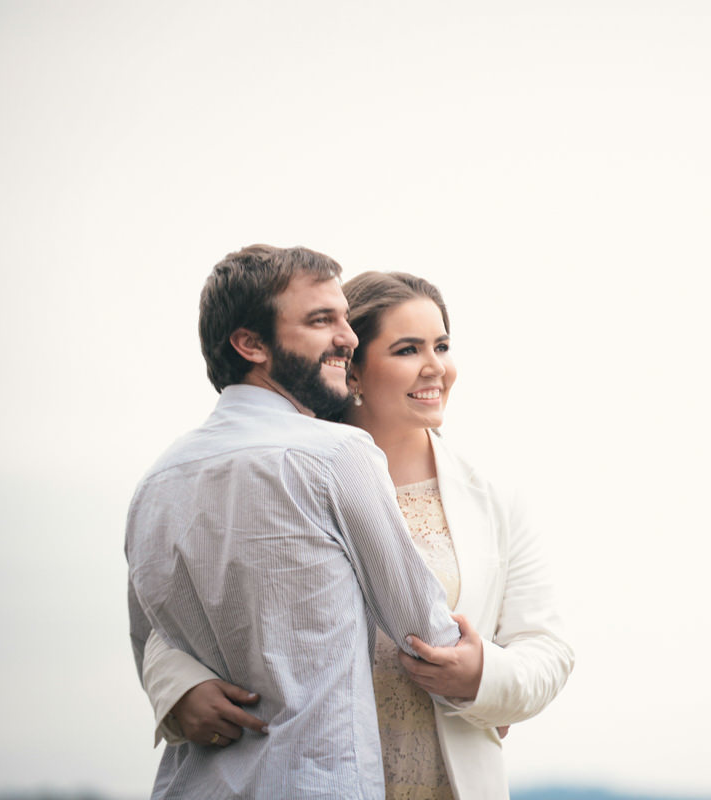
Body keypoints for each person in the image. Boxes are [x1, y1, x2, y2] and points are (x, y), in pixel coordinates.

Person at [143, 270, 575, 799]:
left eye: (441, 345)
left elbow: (547, 649)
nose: (435, 366)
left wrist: (482, 677)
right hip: (291, 775)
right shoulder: (279, 470)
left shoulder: (493, 497)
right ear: (353, 371)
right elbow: (175, 598)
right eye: (407, 349)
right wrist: (178, 688)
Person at [126, 246, 463, 799]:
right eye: (321, 320)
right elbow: (420, 626)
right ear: (250, 344)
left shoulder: (157, 481)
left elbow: (152, 642)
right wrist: (483, 688)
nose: (348, 337)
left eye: (345, 319)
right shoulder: (337, 456)